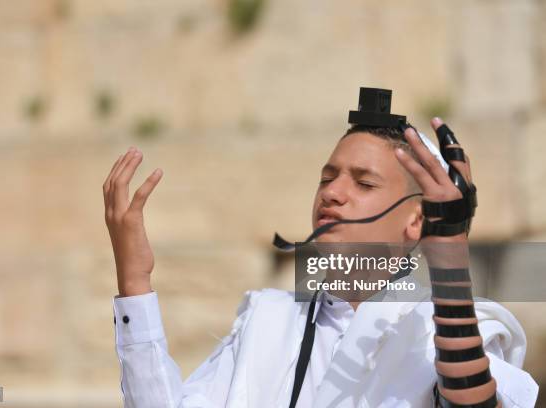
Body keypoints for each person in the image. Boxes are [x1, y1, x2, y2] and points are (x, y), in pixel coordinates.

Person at [103, 90, 539, 407]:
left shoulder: (439, 327)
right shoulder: (267, 319)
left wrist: (448, 255)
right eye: (327, 178)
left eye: (364, 183)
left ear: (416, 221)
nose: (332, 193)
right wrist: (135, 282)